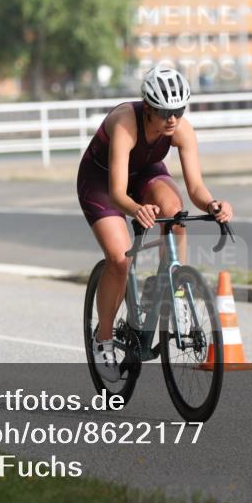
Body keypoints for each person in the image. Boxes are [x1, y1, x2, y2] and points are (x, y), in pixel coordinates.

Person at [77, 66, 234, 382]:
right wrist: (137, 209)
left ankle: (174, 288)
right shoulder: (125, 123)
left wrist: (213, 204)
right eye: (164, 112)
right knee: (121, 259)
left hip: (147, 173)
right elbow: (118, 193)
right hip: (102, 182)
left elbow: (196, 188)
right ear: (148, 108)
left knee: (175, 212)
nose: (172, 118)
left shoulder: (181, 129)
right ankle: (103, 338)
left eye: (178, 110)